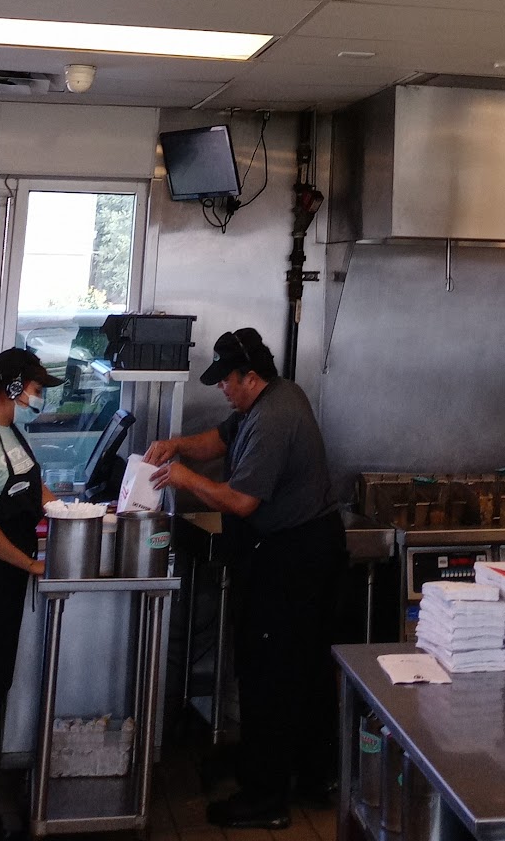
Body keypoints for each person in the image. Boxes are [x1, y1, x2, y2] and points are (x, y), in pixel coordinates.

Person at [146, 326, 346, 833]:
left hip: (296, 560)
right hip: (293, 553)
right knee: (300, 672)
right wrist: (175, 447)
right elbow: (218, 440)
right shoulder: (268, 400)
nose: (221, 388)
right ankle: (310, 776)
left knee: (271, 676)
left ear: (250, 376)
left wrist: (186, 479)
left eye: (226, 380)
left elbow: (241, 501)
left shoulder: (275, 417)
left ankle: (266, 798)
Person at [0, 346, 60, 841]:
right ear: (14, 388)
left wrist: (81, 515)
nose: (40, 399)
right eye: (36, 390)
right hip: (0, 575)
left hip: (10, 582)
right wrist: (33, 564)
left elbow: (37, 492)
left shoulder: (13, 432)